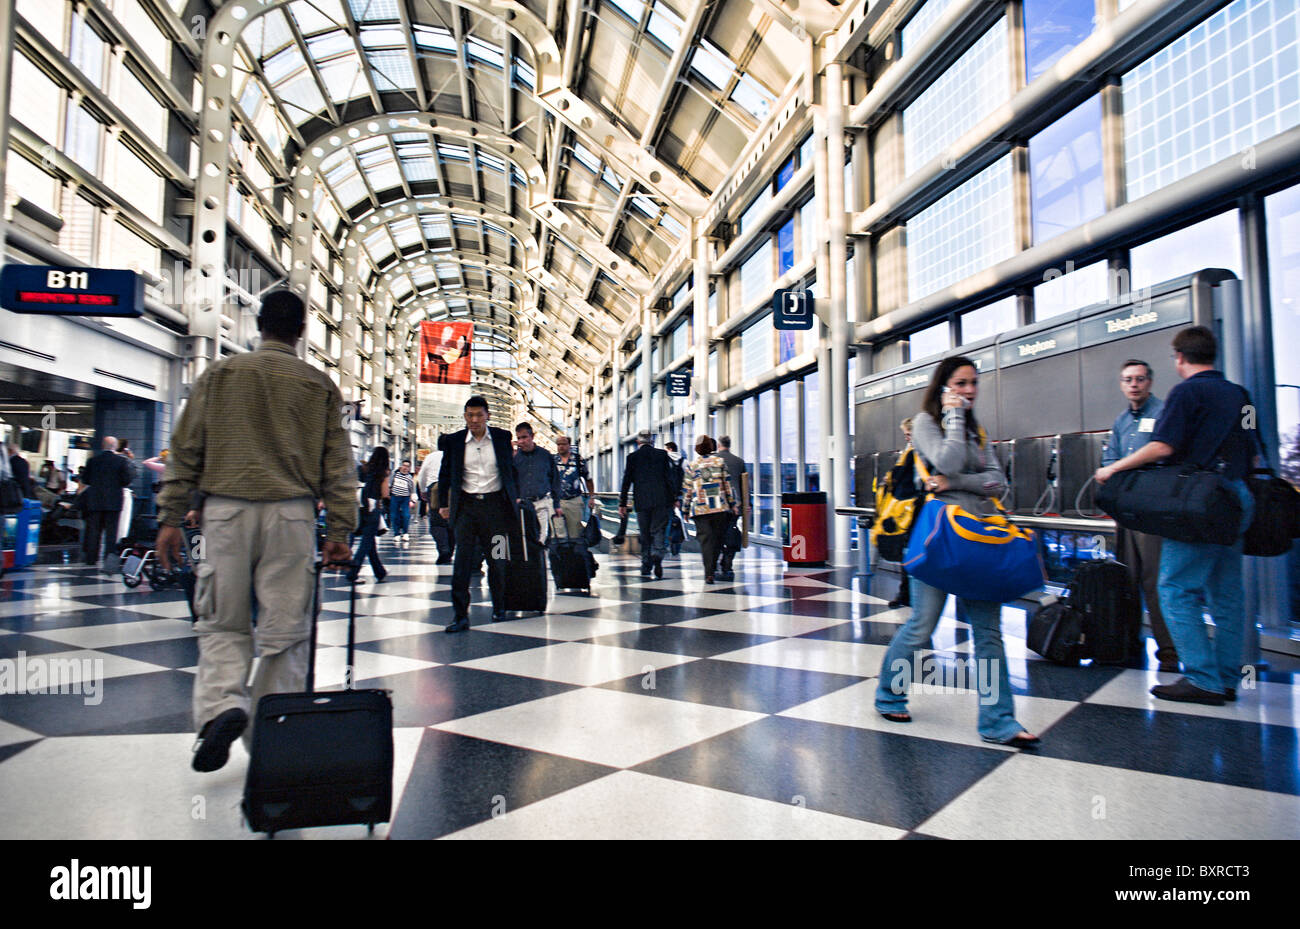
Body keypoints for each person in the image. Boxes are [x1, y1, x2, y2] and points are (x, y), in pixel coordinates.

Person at [155, 290, 355, 773]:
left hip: (225, 513)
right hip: (291, 515)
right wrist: (341, 530)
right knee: (284, 629)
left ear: (258, 325)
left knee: (222, 620)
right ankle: (272, 733)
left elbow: (185, 449)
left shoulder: (219, 375)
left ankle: (224, 704)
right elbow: (338, 465)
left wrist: (169, 516)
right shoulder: (318, 384)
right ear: (302, 331)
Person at [874, 355, 1040, 747]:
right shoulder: (926, 423)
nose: (969, 391)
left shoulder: (977, 431)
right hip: (938, 539)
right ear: (944, 387)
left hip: (979, 539)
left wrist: (955, 482)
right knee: (922, 625)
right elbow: (942, 460)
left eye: (973, 383)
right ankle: (889, 693)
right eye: (960, 384)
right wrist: (952, 420)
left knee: (988, 632)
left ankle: (999, 722)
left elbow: (997, 481)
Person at [1094, 327, 1258, 706]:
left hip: (1201, 502)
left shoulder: (1186, 393)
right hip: (1237, 498)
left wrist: (1114, 469)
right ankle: (1228, 677)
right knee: (1227, 593)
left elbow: (1163, 446)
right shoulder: (1240, 395)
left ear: (1179, 358)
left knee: (1174, 587)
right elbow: (1252, 452)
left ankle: (1202, 678)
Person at [1100, 359, 1178, 672]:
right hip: (1126, 510)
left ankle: (1170, 653)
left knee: (1154, 581)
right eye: (1128, 379)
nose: (1134, 384)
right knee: (1127, 579)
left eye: (1140, 379)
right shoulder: (1121, 421)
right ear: (1122, 384)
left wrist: (1121, 466)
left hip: (1152, 509)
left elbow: (1161, 454)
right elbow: (1110, 458)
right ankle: (1127, 642)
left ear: (1150, 381)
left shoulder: (1163, 414)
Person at [438, 396, 522, 633]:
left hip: (497, 510)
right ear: (464, 416)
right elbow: (445, 475)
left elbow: (510, 470)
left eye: (478, 415)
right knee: (462, 562)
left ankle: (499, 606)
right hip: (467, 510)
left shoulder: (502, 437)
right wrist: (443, 504)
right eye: (469, 415)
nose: (474, 420)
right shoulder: (454, 441)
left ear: (488, 416)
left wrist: (514, 495)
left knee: (499, 559)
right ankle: (460, 616)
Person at [619, 429, 678, 578]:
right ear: (651, 441)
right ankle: (657, 554)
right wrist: (674, 499)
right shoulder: (662, 455)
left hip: (641, 501)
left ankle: (646, 564)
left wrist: (622, 503)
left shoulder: (632, 457)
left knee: (645, 533)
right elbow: (669, 478)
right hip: (660, 499)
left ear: (638, 442)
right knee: (658, 530)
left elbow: (626, 481)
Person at [681, 436, 737, 584]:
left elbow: (687, 490)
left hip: (700, 509)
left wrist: (685, 510)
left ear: (697, 448)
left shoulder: (692, 466)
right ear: (711, 447)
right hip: (720, 508)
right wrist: (733, 504)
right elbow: (728, 485)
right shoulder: (720, 462)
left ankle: (709, 573)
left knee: (706, 541)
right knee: (717, 539)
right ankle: (712, 568)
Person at [79, 436, 134, 573]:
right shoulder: (121, 461)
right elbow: (126, 481)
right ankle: (108, 561)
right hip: (113, 502)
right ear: (114, 447)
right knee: (111, 533)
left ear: (103, 446)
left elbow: (85, 479)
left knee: (94, 531)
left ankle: (91, 559)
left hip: (95, 501)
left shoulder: (92, 461)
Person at [514, 423, 562, 545]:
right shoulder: (515, 458)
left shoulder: (545, 455)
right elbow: (510, 481)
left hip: (543, 503)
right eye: (519, 438)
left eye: (524, 437)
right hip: (523, 506)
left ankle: (543, 562)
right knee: (525, 539)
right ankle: (529, 562)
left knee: (543, 539)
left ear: (532, 436)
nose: (521, 441)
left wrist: (556, 504)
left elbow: (555, 480)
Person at [350, 448, 390, 583]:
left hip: (360, 505)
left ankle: (380, 572)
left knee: (370, 542)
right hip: (373, 507)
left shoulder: (363, 468)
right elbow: (385, 494)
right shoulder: (383, 472)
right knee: (366, 542)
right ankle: (353, 572)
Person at [887, 417, 915, 610]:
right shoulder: (908, 452)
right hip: (907, 512)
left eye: (909, 434)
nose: (907, 438)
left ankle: (907, 594)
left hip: (916, 512)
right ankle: (906, 594)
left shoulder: (921, 452)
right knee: (907, 554)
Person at [417, 437, 454, 564]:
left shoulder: (431, 456)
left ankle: (443, 549)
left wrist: (422, 490)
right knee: (452, 522)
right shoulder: (455, 453)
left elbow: (422, 475)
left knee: (437, 522)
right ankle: (450, 550)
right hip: (452, 489)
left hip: (435, 488)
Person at [714, 436, 747, 581]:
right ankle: (728, 563)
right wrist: (746, 504)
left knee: (717, 534)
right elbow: (744, 484)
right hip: (736, 505)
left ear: (719, 445)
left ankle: (718, 560)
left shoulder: (713, 460)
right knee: (731, 531)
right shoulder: (739, 461)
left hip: (717, 505)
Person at [555, 435, 593, 539]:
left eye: (563, 444)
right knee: (559, 533)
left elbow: (588, 479)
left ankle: (574, 554)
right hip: (558, 502)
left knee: (575, 533)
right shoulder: (553, 460)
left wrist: (591, 497)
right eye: (558, 444)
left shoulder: (578, 459)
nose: (561, 447)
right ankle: (562, 554)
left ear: (569, 445)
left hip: (574, 500)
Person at [663, 442, 685, 556]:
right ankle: (677, 546)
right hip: (680, 496)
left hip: (667, 496)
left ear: (670, 449)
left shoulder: (665, 461)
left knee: (668, 520)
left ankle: (665, 544)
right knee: (679, 520)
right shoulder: (683, 461)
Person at [388, 459, 416, 544]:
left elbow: (412, 489)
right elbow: (390, 484)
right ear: (401, 466)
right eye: (404, 465)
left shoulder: (409, 478)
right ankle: (396, 534)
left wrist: (413, 500)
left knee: (406, 515)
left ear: (409, 468)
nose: (405, 468)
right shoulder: (395, 474)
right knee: (394, 515)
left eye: (407, 466)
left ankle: (405, 533)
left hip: (405, 498)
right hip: (394, 497)